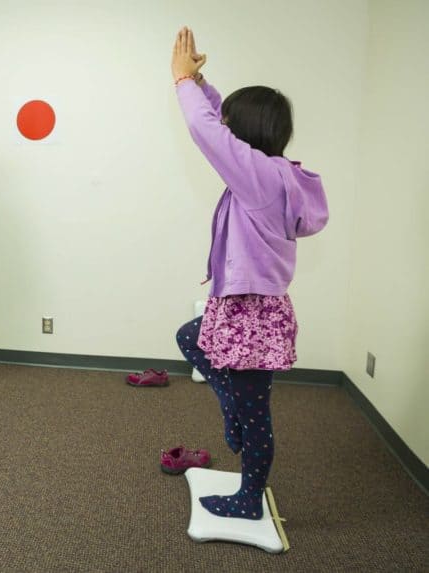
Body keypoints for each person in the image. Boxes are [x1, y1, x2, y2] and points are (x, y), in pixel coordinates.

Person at [171, 27, 328, 519]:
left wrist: (180, 82)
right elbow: (220, 122)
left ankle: (248, 500)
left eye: (231, 125)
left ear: (246, 133)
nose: (224, 129)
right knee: (190, 336)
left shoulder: (261, 179)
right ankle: (229, 406)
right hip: (244, 305)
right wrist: (201, 81)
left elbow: (207, 130)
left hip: (251, 311)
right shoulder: (272, 174)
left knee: (256, 416)